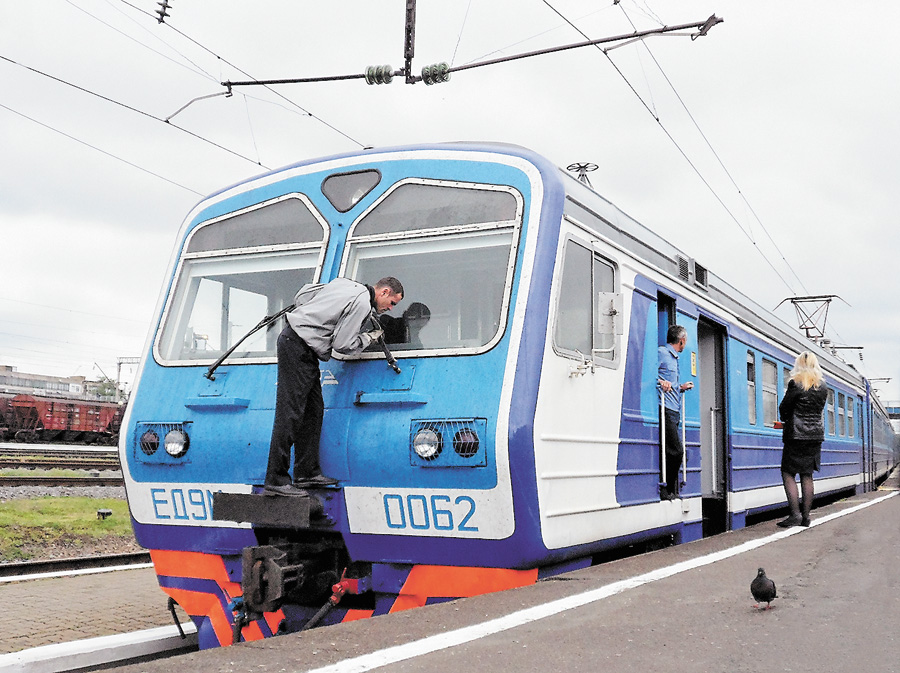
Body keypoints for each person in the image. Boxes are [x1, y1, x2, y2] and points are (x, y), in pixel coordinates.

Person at [264, 276, 404, 495]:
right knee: (289, 414)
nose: (390, 309)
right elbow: (343, 345)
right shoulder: (362, 303)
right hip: (298, 346)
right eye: (393, 303)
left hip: (298, 343)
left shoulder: (345, 283)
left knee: (313, 411)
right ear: (384, 292)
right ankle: (276, 480)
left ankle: (306, 473)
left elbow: (302, 295)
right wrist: (369, 338)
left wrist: (316, 316)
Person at [777, 350, 828, 527]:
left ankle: (795, 514)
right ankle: (806, 517)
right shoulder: (822, 387)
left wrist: (785, 419)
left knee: (788, 472)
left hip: (796, 435)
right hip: (815, 436)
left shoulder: (795, 384)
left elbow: (784, 408)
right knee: (807, 474)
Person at [657, 325, 694, 500]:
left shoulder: (674, 358)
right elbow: (649, 374)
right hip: (665, 408)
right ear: (682, 340)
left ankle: (670, 489)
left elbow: (671, 385)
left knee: (675, 451)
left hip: (674, 409)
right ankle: (667, 489)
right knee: (676, 451)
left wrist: (681, 387)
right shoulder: (661, 353)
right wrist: (660, 382)